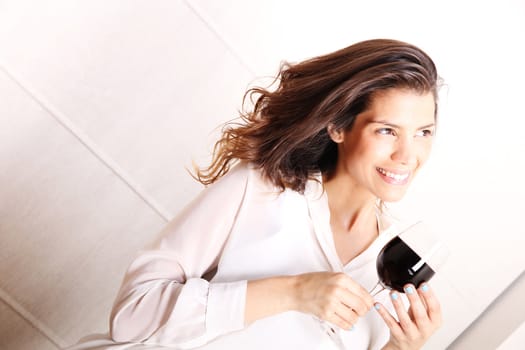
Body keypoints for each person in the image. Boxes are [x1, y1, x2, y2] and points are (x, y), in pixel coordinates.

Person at [70, 38, 442, 350]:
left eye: (423, 132)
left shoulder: (395, 264)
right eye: (387, 131)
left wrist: (399, 348)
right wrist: (294, 291)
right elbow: (132, 317)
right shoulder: (262, 188)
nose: (407, 156)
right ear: (338, 127)